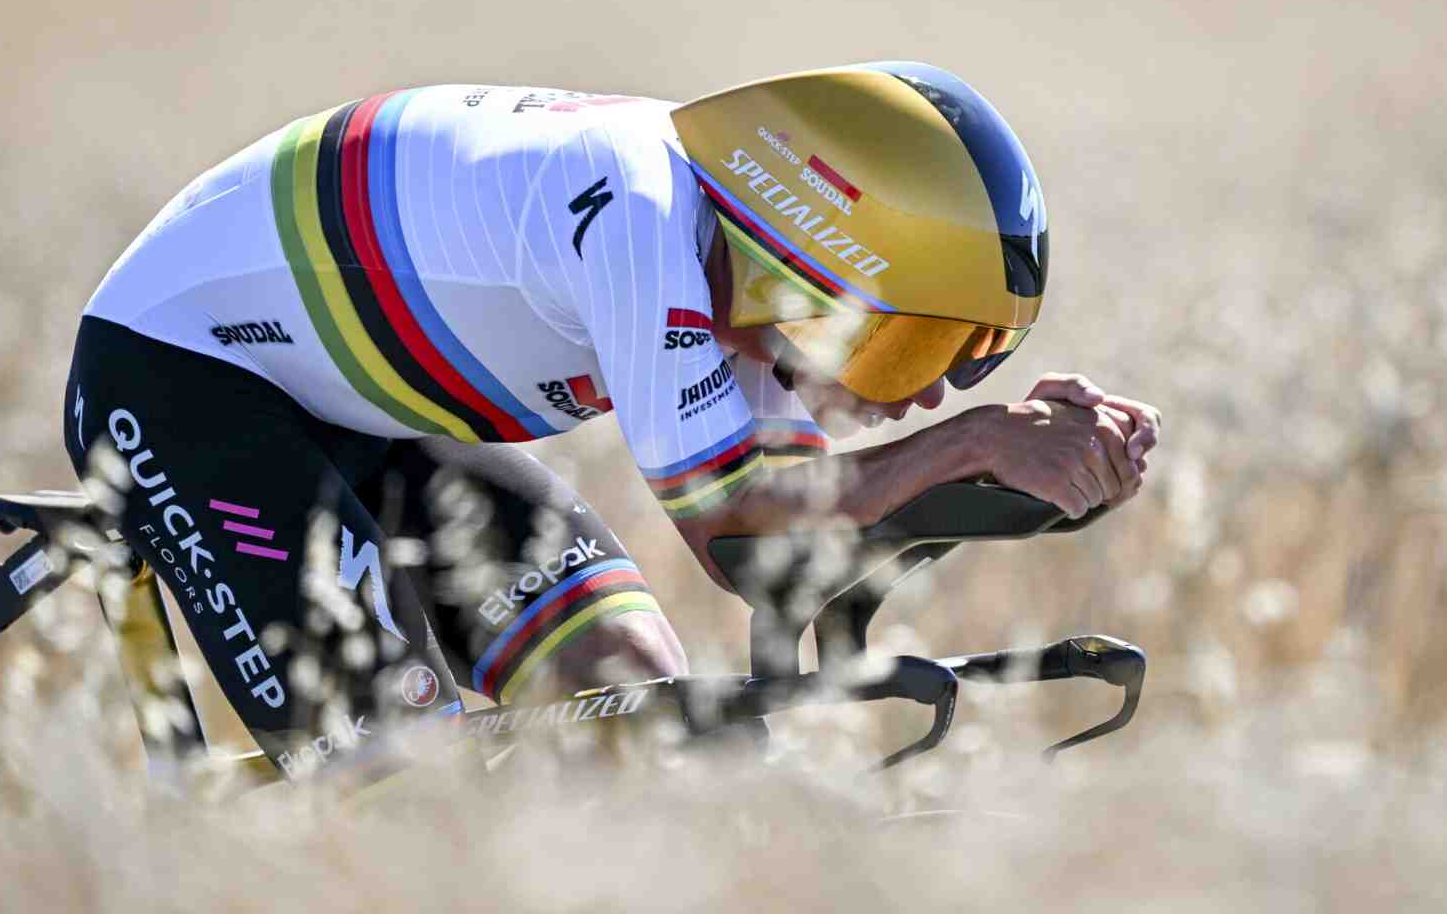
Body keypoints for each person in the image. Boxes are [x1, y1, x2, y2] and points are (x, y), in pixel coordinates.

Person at [62, 62, 1161, 780]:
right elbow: (744, 533)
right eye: (917, 345)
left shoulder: (747, 271)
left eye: (961, 364)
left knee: (629, 699)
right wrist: (972, 445)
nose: (924, 393)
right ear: (815, 259)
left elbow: (794, 559)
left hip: (355, 403)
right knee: (390, 773)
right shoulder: (643, 219)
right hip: (179, 377)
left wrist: (1017, 487)